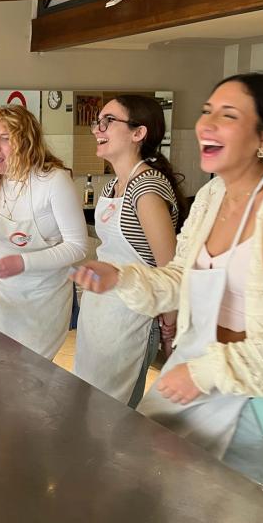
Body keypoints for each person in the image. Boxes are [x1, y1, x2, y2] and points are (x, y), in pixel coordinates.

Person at [72, 72, 263, 496]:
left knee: (241, 497)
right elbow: (179, 278)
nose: (206, 124)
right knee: (156, 484)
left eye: (228, 115)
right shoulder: (212, 198)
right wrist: (122, 277)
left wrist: (203, 371)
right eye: (207, 111)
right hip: (198, 368)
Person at [73, 95, 187, 407]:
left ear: (139, 133)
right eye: (98, 121)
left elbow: (170, 270)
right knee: (87, 409)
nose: (98, 128)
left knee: (112, 420)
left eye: (109, 121)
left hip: (131, 319)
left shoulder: (147, 188)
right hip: (101, 316)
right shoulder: (115, 185)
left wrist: (170, 328)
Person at [0, 105, 87, 359]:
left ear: (26, 143)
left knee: (29, 376)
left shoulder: (53, 181)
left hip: (43, 297)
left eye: (5, 139)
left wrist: (24, 262)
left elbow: (77, 245)